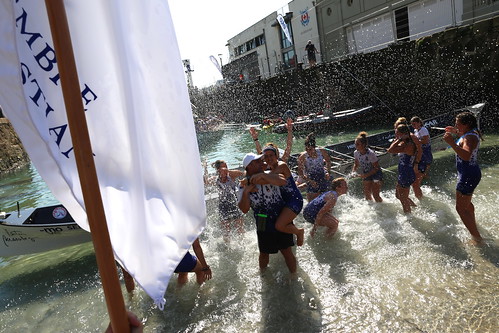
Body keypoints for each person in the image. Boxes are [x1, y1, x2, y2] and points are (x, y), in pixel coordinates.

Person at [238, 153, 297, 273]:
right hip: (262, 220)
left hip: (280, 215)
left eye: (260, 160)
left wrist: (262, 176)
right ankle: (263, 276)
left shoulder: (270, 173)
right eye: (257, 161)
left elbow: (282, 181)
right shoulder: (243, 186)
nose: (262, 162)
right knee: (264, 253)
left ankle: (293, 275)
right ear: (249, 167)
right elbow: (244, 209)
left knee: (286, 250)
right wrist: (246, 192)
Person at [443, 111, 483, 244]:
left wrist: (451, 142)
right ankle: (474, 227)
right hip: (470, 173)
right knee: (466, 205)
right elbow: (464, 136)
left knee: (460, 208)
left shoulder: (469, 138)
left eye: (457, 124)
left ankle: (477, 239)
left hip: (467, 175)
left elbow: (466, 155)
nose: (455, 125)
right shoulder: (470, 133)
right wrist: (455, 131)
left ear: (467, 125)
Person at [261, 144, 305, 246]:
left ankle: (299, 232)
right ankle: (291, 242)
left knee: (279, 226)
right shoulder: (269, 168)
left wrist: (256, 176)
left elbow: (268, 177)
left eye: (271, 155)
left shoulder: (282, 165)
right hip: (284, 202)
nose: (269, 158)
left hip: (294, 200)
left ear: (276, 156)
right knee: (285, 224)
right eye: (266, 156)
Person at [204, 160, 245, 241]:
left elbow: (241, 173)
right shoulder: (216, 179)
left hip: (234, 203)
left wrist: (227, 171)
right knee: (226, 230)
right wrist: (205, 168)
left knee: (240, 227)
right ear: (218, 170)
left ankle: (242, 243)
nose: (226, 169)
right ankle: (227, 246)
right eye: (223, 167)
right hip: (223, 205)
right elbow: (206, 182)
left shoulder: (231, 176)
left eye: (226, 167)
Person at [388, 124, 417, 213]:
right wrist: (399, 139)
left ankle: (409, 217)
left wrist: (398, 140)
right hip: (403, 172)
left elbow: (390, 150)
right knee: (398, 195)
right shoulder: (405, 142)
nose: (396, 135)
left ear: (403, 134)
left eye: (397, 133)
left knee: (403, 199)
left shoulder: (408, 145)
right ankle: (415, 208)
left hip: (406, 173)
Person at [297, 133, 332, 201]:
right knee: (311, 201)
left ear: (314, 148)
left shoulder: (322, 151)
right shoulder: (303, 156)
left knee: (326, 199)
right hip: (311, 178)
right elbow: (300, 172)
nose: (308, 151)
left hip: (322, 176)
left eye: (310, 149)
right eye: (306, 149)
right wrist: (309, 181)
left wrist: (328, 172)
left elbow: (328, 161)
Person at [352, 131, 383, 202]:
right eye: (355, 144)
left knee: (375, 195)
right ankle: (371, 208)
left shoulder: (370, 154)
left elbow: (376, 168)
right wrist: (353, 171)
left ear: (363, 145)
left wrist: (365, 175)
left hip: (376, 174)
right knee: (367, 193)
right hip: (366, 173)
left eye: (358, 144)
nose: (356, 146)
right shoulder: (356, 153)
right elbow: (356, 164)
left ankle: (381, 207)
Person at [410, 116, 433, 199]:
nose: (413, 126)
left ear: (419, 123)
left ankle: (422, 179)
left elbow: (425, 140)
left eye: (414, 124)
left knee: (422, 169)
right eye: (412, 124)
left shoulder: (423, 129)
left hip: (425, 151)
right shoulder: (416, 130)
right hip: (420, 151)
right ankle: (422, 180)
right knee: (419, 171)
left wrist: (416, 142)